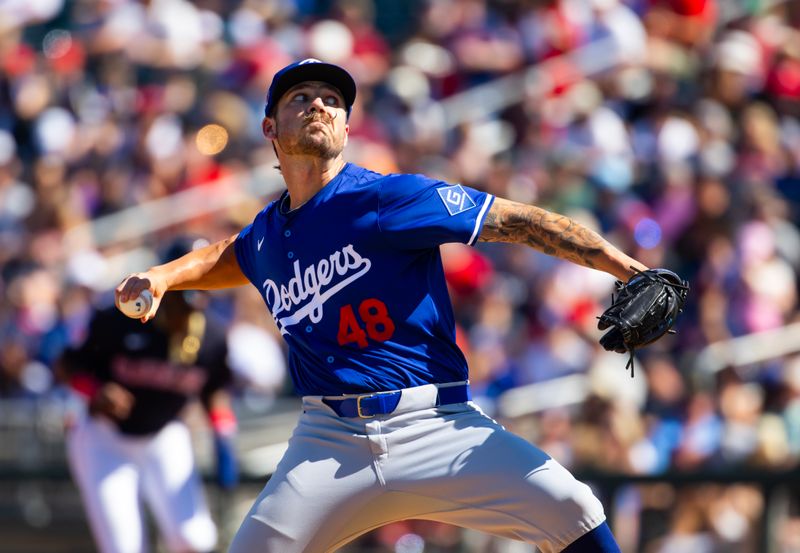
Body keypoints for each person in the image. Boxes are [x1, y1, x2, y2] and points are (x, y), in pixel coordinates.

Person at [116, 59, 652, 553]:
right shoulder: (266, 236)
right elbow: (229, 255)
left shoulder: (385, 199)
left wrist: (630, 270)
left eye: (332, 98)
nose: (320, 104)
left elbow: (518, 220)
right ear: (270, 129)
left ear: (348, 128)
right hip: (328, 442)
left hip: (435, 422)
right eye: (300, 97)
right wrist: (163, 278)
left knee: (575, 510)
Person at [61, 242, 239, 553]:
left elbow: (215, 391)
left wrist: (223, 436)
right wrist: (96, 391)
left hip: (163, 435)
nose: (185, 310)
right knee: (124, 547)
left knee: (194, 539)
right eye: (179, 300)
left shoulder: (212, 336)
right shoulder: (118, 319)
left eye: (193, 302)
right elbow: (66, 365)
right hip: (105, 439)